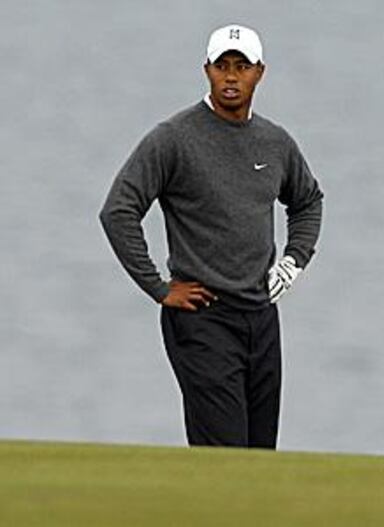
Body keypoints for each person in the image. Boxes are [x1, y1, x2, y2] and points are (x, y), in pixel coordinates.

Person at [99, 24, 324, 449]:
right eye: (222, 66)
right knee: (225, 455)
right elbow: (118, 210)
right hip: (203, 318)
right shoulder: (174, 139)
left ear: (260, 73)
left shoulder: (275, 143)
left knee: (260, 455)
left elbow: (308, 201)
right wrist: (159, 287)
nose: (232, 76)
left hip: (261, 317)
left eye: (242, 66)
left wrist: (293, 262)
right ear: (207, 70)